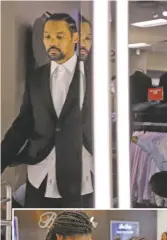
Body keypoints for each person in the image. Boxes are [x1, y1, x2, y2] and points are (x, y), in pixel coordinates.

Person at [1, 13, 94, 207]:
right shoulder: (36, 78)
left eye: (59, 37)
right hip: (40, 174)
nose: (52, 42)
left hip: (80, 174)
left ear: (74, 38)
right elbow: (23, 124)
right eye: (47, 37)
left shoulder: (93, 77)